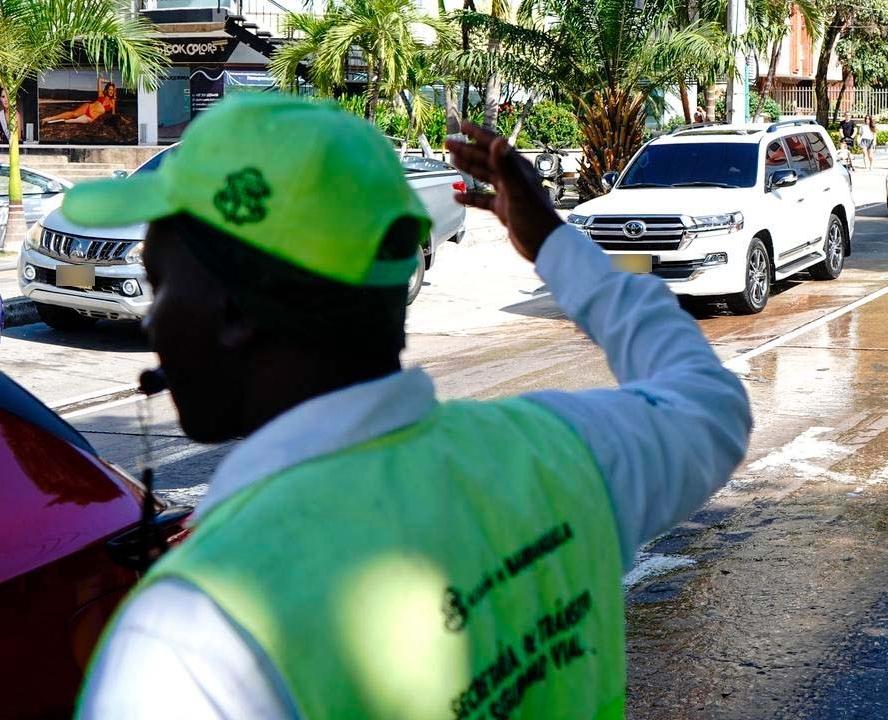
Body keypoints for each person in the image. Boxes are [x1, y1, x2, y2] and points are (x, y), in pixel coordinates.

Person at [70, 94, 750, 717]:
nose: (154, 324)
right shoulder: (559, 453)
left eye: (161, 284)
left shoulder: (193, 639)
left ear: (232, 313)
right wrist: (550, 241)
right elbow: (708, 404)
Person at [42, 79, 116, 125]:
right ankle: (48, 118)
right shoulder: (101, 95)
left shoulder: (112, 101)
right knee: (74, 114)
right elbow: (100, 80)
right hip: (87, 108)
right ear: (107, 90)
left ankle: (49, 122)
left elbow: (113, 113)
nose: (111, 91)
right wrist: (110, 82)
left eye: (112, 90)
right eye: (109, 89)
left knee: (70, 121)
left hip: (90, 117)